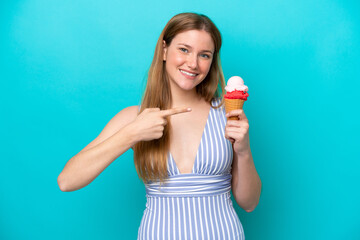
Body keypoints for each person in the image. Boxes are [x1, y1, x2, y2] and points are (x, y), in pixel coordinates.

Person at [57, 12, 261, 239]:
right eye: (184, 49)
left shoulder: (227, 113)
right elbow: (67, 180)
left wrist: (243, 152)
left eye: (204, 55)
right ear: (164, 50)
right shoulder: (134, 117)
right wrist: (132, 133)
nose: (193, 63)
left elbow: (249, 203)